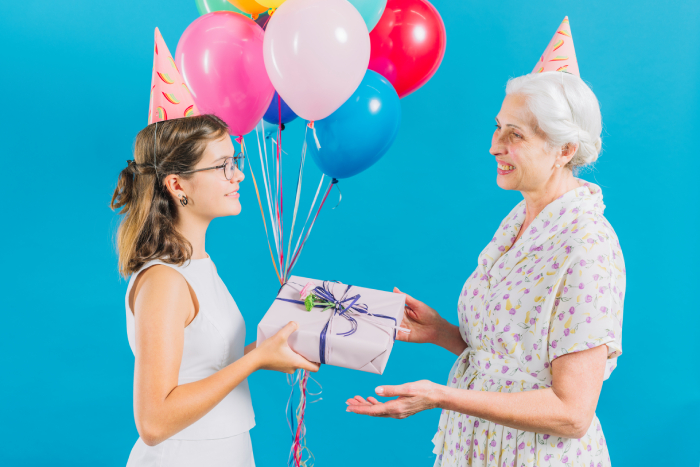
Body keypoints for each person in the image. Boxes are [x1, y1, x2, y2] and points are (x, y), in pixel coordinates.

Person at [346, 17, 625, 467]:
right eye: (498, 128)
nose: (495, 146)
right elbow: (513, 364)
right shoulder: (519, 219)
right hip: (482, 449)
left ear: (565, 151)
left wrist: (442, 396)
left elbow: (572, 412)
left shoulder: (586, 245)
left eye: (515, 134)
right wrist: (442, 333)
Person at [111, 29, 318, 467]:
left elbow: (203, 367)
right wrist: (256, 360)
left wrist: (267, 351)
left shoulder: (197, 265)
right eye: (224, 166)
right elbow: (154, 420)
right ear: (178, 185)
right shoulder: (165, 281)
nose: (238, 176)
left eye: (236, 162)